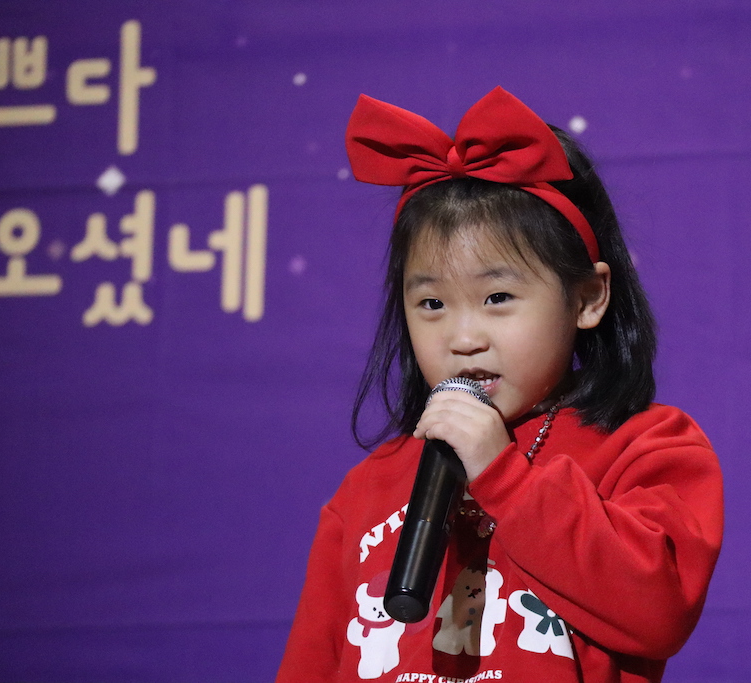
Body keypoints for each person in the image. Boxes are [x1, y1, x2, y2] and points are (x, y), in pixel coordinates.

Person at [277, 87, 723, 683]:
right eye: (432, 303)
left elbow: (659, 610)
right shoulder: (365, 489)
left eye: (497, 297)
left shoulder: (645, 446)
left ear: (587, 297)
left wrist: (503, 476)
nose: (463, 337)